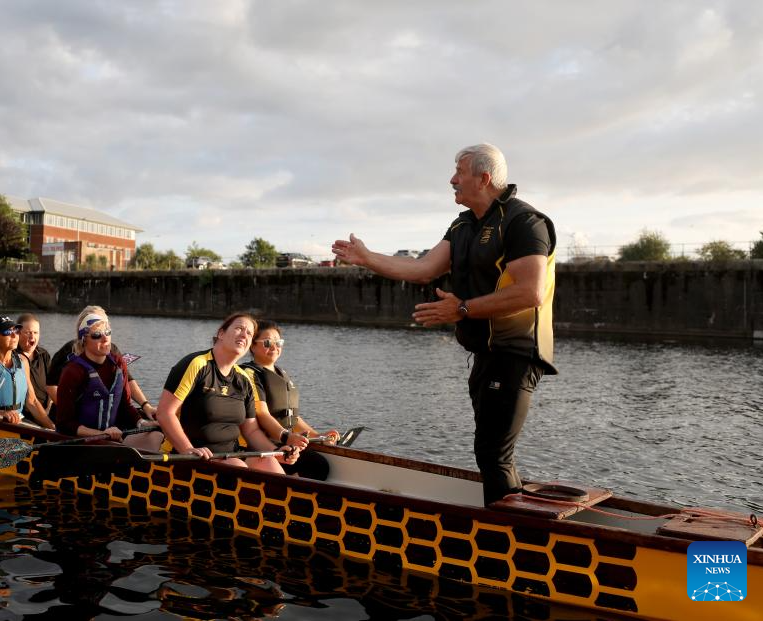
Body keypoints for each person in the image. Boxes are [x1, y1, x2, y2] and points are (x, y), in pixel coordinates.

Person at [332, 143, 556, 507]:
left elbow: (530, 292)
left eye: (460, 173)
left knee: (492, 452)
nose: (452, 180)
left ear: (483, 178)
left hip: (515, 353)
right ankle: (507, 525)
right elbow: (423, 268)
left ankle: (510, 539)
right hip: (486, 354)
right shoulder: (464, 224)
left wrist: (463, 309)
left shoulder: (523, 222)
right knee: (490, 452)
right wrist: (367, 258)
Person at [154, 313, 299, 472]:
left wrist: (276, 452)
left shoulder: (243, 379)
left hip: (231, 454)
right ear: (221, 334)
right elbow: (164, 413)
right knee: (238, 467)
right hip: (191, 454)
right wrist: (187, 449)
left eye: (249, 333)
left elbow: (251, 430)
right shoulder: (197, 364)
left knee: (270, 464)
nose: (244, 334)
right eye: (239, 328)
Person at [242, 320, 338, 480]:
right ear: (252, 346)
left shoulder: (281, 373)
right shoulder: (250, 374)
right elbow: (263, 415)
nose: (274, 347)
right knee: (317, 465)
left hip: (286, 439)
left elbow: (293, 417)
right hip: (266, 443)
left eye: (278, 342)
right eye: (267, 342)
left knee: (320, 466)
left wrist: (319, 436)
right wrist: (287, 437)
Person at [53, 312, 162, 451]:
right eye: (97, 335)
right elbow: (64, 424)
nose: (105, 339)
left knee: (156, 436)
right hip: (78, 442)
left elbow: (125, 405)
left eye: (108, 332)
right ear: (84, 340)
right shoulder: (73, 371)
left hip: (109, 439)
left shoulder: (118, 363)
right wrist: (100, 434)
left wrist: (141, 422)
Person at [46, 306, 157, 420]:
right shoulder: (68, 351)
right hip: (71, 421)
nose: (104, 335)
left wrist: (145, 405)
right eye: (97, 331)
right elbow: (51, 386)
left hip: (105, 417)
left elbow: (127, 381)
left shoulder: (113, 351)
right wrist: (76, 414)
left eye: (106, 328)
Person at [0, 316, 52, 427]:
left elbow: (32, 402)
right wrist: (1, 413)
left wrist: (53, 428)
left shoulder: (22, 362)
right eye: (7, 332)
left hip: (18, 422)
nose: (14, 336)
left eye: (16, 331)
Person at [16, 313, 52, 411]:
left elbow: (51, 385)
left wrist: (48, 410)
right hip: (25, 412)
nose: (32, 337)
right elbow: (30, 400)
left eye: (36, 333)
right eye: (28, 333)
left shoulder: (44, 354)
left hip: (46, 410)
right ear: (18, 333)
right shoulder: (13, 356)